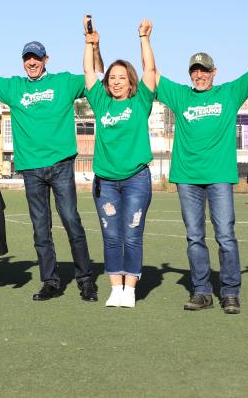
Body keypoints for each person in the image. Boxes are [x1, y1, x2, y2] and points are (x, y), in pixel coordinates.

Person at [154, 10, 248, 314]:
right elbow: (152, 73)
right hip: (187, 177)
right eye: (194, 71)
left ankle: (230, 292)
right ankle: (201, 292)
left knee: (225, 235)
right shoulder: (180, 95)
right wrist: (145, 39)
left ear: (214, 72)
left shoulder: (229, 93)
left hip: (219, 176)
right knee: (194, 237)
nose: (199, 75)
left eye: (204, 71)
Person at [0, 28, 104, 302]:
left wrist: (94, 46)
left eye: (36, 58)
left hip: (61, 164)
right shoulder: (14, 87)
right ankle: (50, 281)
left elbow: (96, 76)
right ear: (22, 61)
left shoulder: (63, 82)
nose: (32, 62)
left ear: (45, 59)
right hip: (31, 168)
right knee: (40, 228)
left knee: (71, 220)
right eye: (27, 58)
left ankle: (86, 280)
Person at [83, 16, 156, 308]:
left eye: (121, 77)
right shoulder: (101, 102)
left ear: (130, 81)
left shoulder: (141, 102)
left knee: (132, 234)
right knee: (111, 235)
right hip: (106, 182)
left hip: (137, 179)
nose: (115, 82)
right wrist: (88, 42)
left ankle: (130, 289)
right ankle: (116, 288)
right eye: (112, 77)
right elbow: (88, 70)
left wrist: (144, 38)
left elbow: (150, 70)